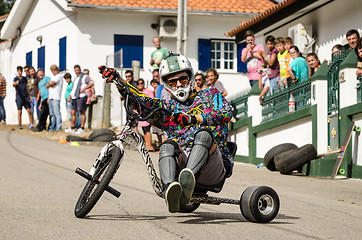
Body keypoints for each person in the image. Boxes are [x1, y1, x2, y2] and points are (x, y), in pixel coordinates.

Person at [99, 53, 233, 213]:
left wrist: (194, 118)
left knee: (203, 134)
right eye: (172, 81)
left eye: (182, 79)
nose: (178, 84)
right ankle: (171, 189)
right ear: (166, 84)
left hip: (213, 166)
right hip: (182, 161)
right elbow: (141, 99)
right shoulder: (166, 107)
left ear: (190, 77)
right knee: (167, 145)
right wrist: (118, 80)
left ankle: (188, 179)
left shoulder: (210, 95)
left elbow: (226, 113)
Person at [69, 65, 94, 134]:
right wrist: (70, 95)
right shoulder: (76, 78)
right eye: (75, 70)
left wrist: (83, 89)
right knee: (73, 112)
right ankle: (72, 127)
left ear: (80, 70)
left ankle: (82, 127)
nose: (76, 72)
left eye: (77, 70)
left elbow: (91, 83)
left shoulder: (85, 76)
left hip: (82, 96)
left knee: (82, 112)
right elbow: (73, 88)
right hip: (74, 97)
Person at [136, 78, 155, 152]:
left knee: (147, 129)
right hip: (141, 113)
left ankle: (150, 146)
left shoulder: (148, 91)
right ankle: (147, 145)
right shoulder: (138, 92)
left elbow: (153, 100)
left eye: (141, 83)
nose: (140, 85)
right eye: (138, 84)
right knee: (144, 130)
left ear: (144, 84)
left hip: (147, 113)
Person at [47, 64, 63, 131]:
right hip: (51, 97)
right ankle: (52, 127)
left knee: (57, 113)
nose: (53, 72)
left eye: (54, 70)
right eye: (52, 71)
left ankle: (58, 127)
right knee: (52, 114)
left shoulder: (59, 76)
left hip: (56, 97)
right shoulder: (53, 77)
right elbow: (48, 86)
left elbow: (50, 84)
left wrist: (49, 84)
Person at [150, 78, 165, 147]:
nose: (154, 86)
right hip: (155, 111)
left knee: (162, 131)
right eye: (152, 85)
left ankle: (164, 145)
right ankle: (160, 144)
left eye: (155, 84)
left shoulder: (161, 87)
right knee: (156, 131)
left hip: (161, 109)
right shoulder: (154, 91)